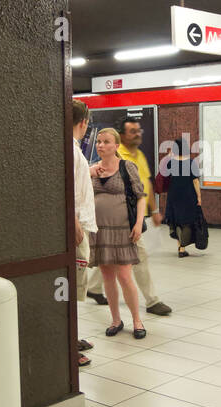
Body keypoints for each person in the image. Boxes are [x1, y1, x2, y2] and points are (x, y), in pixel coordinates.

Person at [86, 117, 172, 316]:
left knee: (128, 257)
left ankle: (97, 288)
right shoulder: (114, 156)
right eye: (132, 131)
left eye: (138, 130)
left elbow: (145, 185)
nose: (137, 134)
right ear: (121, 137)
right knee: (113, 258)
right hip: (107, 225)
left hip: (127, 221)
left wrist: (154, 210)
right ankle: (151, 301)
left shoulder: (138, 156)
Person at [88, 127, 147, 338]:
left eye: (106, 142)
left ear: (116, 146)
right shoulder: (92, 169)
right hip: (100, 230)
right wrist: (89, 173)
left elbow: (141, 196)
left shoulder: (127, 167)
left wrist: (139, 223)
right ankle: (115, 319)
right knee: (107, 276)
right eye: (99, 142)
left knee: (124, 275)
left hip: (123, 229)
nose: (101, 145)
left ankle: (137, 320)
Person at [72, 100, 98, 368]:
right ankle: (68, 344)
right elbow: (67, 190)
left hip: (81, 224)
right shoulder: (71, 150)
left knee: (78, 286)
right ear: (84, 123)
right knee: (74, 287)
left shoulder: (74, 151)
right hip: (77, 227)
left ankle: (72, 335)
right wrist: (75, 224)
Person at [163, 135, 203, 257]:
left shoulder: (171, 163)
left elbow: (165, 175)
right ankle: (182, 248)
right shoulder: (191, 163)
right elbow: (195, 181)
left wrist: (169, 156)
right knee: (186, 221)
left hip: (174, 195)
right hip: (188, 196)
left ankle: (180, 246)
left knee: (176, 221)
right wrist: (199, 197)